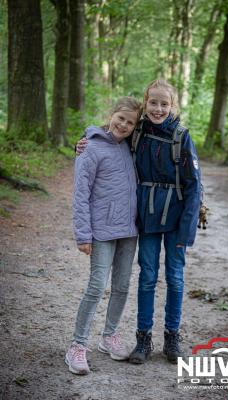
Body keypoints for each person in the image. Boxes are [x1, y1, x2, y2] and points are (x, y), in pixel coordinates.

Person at [76, 79, 202, 365]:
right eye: (153, 103)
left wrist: (187, 230)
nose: (158, 108)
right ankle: (143, 338)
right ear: (146, 103)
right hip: (145, 218)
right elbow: (109, 136)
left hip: (175, 218)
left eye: (164, 103)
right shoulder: (138, 131)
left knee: (175, 277)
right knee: (146, 277)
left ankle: (172, 337)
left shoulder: (182, 136)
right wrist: (82, 142)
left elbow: (195, 185)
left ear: (172, 106)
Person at [66, 97, 142, 375]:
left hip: (129, 231)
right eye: (120, 118)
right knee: (97, 286)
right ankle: (77, 345)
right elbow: (81, 195)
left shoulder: (133, 148)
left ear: (135, 127)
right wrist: (82, 234)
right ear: (111, 115)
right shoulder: (90, 148)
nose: (123, 124)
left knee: (122, 286)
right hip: (101, 231)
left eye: (130, 122)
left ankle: (109, 336)